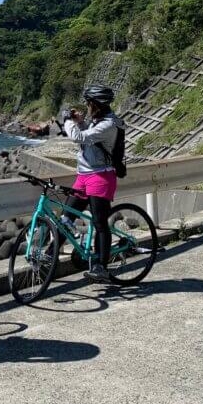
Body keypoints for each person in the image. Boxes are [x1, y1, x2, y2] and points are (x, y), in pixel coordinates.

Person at [57, 84, 124, 283]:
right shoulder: (98, 121)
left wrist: (68, 121)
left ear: (97, 104)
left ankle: (102, 267)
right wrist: (80, 122)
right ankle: (50, 255)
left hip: (101, 176)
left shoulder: (110, 124)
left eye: (88, 103)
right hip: (84, 175)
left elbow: (80, 138)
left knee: (99, 222)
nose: (86, 106)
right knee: (66, 218)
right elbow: (89, 136)